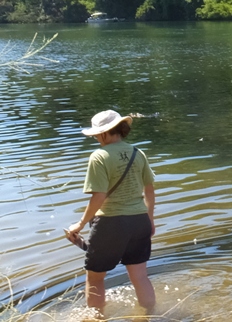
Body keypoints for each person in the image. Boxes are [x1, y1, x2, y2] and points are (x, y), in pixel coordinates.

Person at [66, 110, 156, 313]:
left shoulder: (99, 157)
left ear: (105, 133)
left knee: (95, 278)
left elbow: (98, 197)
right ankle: (151, 315)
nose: (97, 138)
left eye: (98, 134)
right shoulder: (137, 152)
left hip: (111, 223)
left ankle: (97, 318)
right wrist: (150, 220)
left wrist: (79, 225)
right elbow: (149, 190)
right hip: (139, 221)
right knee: (140, 276)